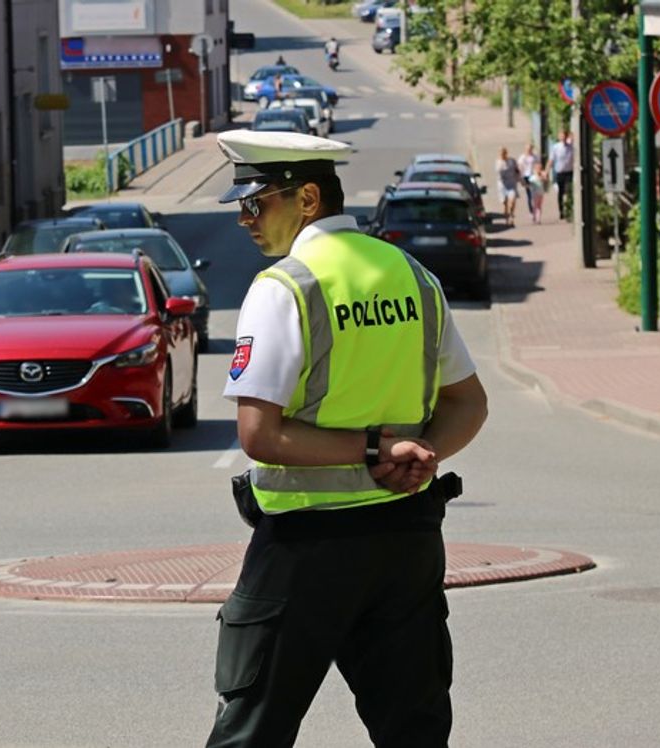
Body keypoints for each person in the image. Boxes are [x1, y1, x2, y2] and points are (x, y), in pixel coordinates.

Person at [205, 130, 488, 747]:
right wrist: (420, 455)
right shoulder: (412, 275)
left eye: (256, 204)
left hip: (306, 547)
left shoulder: (286, 287)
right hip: (406, 539)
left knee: (251, 732)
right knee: (413, 730)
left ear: (307, 199)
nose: (245, 222)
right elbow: (469, 402)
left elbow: (259, 433)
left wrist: (373, 450)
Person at [548, 129, 574, 220]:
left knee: (568, 190)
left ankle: (569, 209)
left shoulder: (571, 147)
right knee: (561, 193)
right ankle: (561, 211)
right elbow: (551, 160)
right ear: (559, 137)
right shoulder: (556, 147)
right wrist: (546, 171)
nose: (563, 138)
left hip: (569, 172)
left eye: (564, 136)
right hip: (560, 172)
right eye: (561, 136)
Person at [495, 146, 522, 226]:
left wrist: (520, 179)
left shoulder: (512, 161)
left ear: (506, 153)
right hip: (503, 185)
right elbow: (498, 172)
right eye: (501, 154)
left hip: (512, 184)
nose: (502, 155)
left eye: (504, 153)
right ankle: (506, 218)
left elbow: (517, 170)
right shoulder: (498, 163)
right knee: (505, 203)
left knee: (512, 201)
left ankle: (511, 217)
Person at [517, 142, 539, 216]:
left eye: (530, 149)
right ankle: (531, 211)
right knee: (529, 194)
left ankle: (536, 209)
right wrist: (520, 178)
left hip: (534, 176)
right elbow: (519, 167)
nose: (529, 150)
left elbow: (538, 165)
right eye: (527, 149)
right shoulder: (522, 157)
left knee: (535, 194)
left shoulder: (535, 157)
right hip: (526, 176)